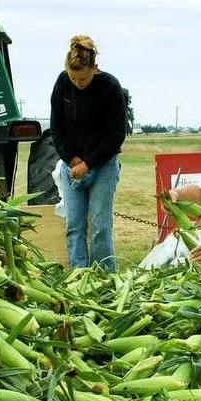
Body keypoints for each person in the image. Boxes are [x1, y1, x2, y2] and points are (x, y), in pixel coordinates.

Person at [50, 35, 127, 271]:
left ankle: (104, 275)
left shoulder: (110, 87)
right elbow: (57, 129)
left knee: (101, 225)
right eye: (73, 78)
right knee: (74, 225)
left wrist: (89, 163)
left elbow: (116, 134)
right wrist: (72, 160)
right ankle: (78, 274)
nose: (78, 83)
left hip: (103, 163)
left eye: (83, 78)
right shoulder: (62, 83)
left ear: (95, 68)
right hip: (71, 164)